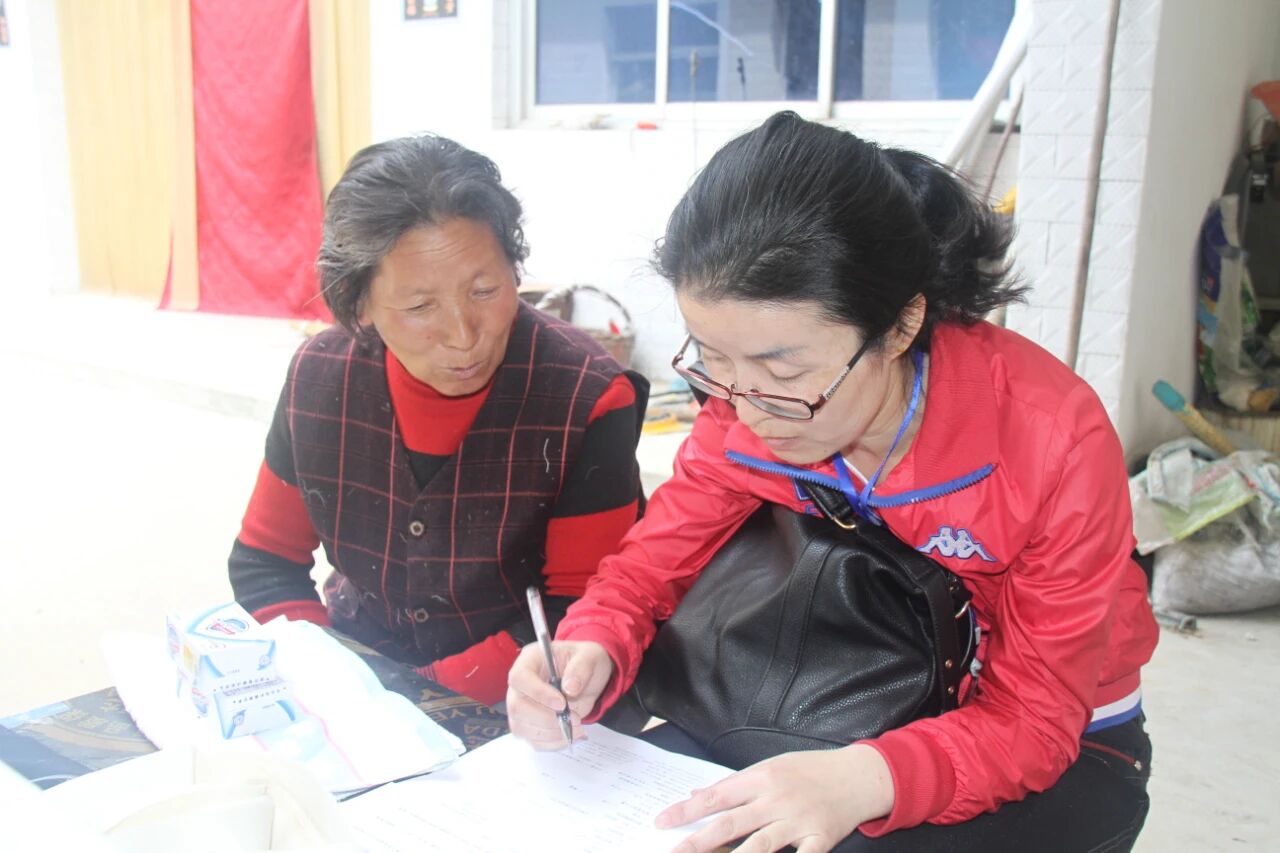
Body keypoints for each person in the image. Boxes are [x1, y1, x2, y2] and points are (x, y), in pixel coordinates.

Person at [506, 111, 1158, 852]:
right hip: (831, 692)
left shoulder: (1048, 441)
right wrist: (592, 644)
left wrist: (865, 778)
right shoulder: (744, 401)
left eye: (784, 371)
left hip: (1056, 741)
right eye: (713, 359)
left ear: (900, 325)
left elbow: (1035, 722)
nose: (747, 411)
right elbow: (648, 569)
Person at [228, 134, 648, 707]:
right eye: (420, 306)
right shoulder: (319, 378)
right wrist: (333, 676)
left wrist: (411, 699)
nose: (463, 334)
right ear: (358, 302)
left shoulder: (587, 396)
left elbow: (581, 609)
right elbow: (266, 562)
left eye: (485, 290)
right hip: (354, 674)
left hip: (523, 697)